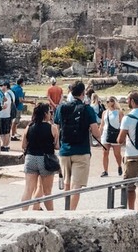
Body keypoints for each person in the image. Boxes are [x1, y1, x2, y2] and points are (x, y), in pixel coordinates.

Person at [55, 81, 100, 210]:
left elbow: (56, 128)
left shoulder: (61, 108)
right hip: (81, 150)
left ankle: (66, 209)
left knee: (66, 183)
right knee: (76, 185)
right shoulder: (88, 109)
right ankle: (72, 211)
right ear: (83, 93)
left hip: (65, 150)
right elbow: (96, 133)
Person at [21, 102, 59, 211]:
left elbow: (23, 145)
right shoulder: (52, 128)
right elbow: (57, 146)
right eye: (50, 112)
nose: (51, 114)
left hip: (31, 158)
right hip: (45, 159)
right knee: (47, 191)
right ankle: (51, 214)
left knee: (28, 189)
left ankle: (23, 213)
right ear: (45, 113)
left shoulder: (29, 127)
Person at [100, 96, 124, 177]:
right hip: (106, 134)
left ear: (113, 102)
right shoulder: (104, 112)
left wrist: (122, 135)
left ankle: (119, 165)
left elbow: (122, 124)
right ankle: (105, 170)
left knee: (117, 153)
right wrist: (99, 134)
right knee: (105, 153)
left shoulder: (119, 112)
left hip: (115, 134)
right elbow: (102, 125)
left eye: (108, 101)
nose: (107, 103)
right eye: (106, 101)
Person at [0, 81, 15, 151]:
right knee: (7, 131)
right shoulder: (11, 93)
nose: (1, 87)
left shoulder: (6, 94)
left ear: (6, 86)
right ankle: (6, 145)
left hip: (3, 115)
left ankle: (4, 145)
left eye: (2, 86)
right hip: (8, 114)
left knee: (3, 132)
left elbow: (5, 106)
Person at [11, 77, 26, 141]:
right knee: (16, 121)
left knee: (14, 120)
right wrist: (29, 102)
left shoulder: (13, 87)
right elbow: (20, 100)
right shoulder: (20, 89)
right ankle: (13, 135)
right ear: (21, 83)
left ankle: (14, 132)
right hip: (18, 106)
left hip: (13, 106)